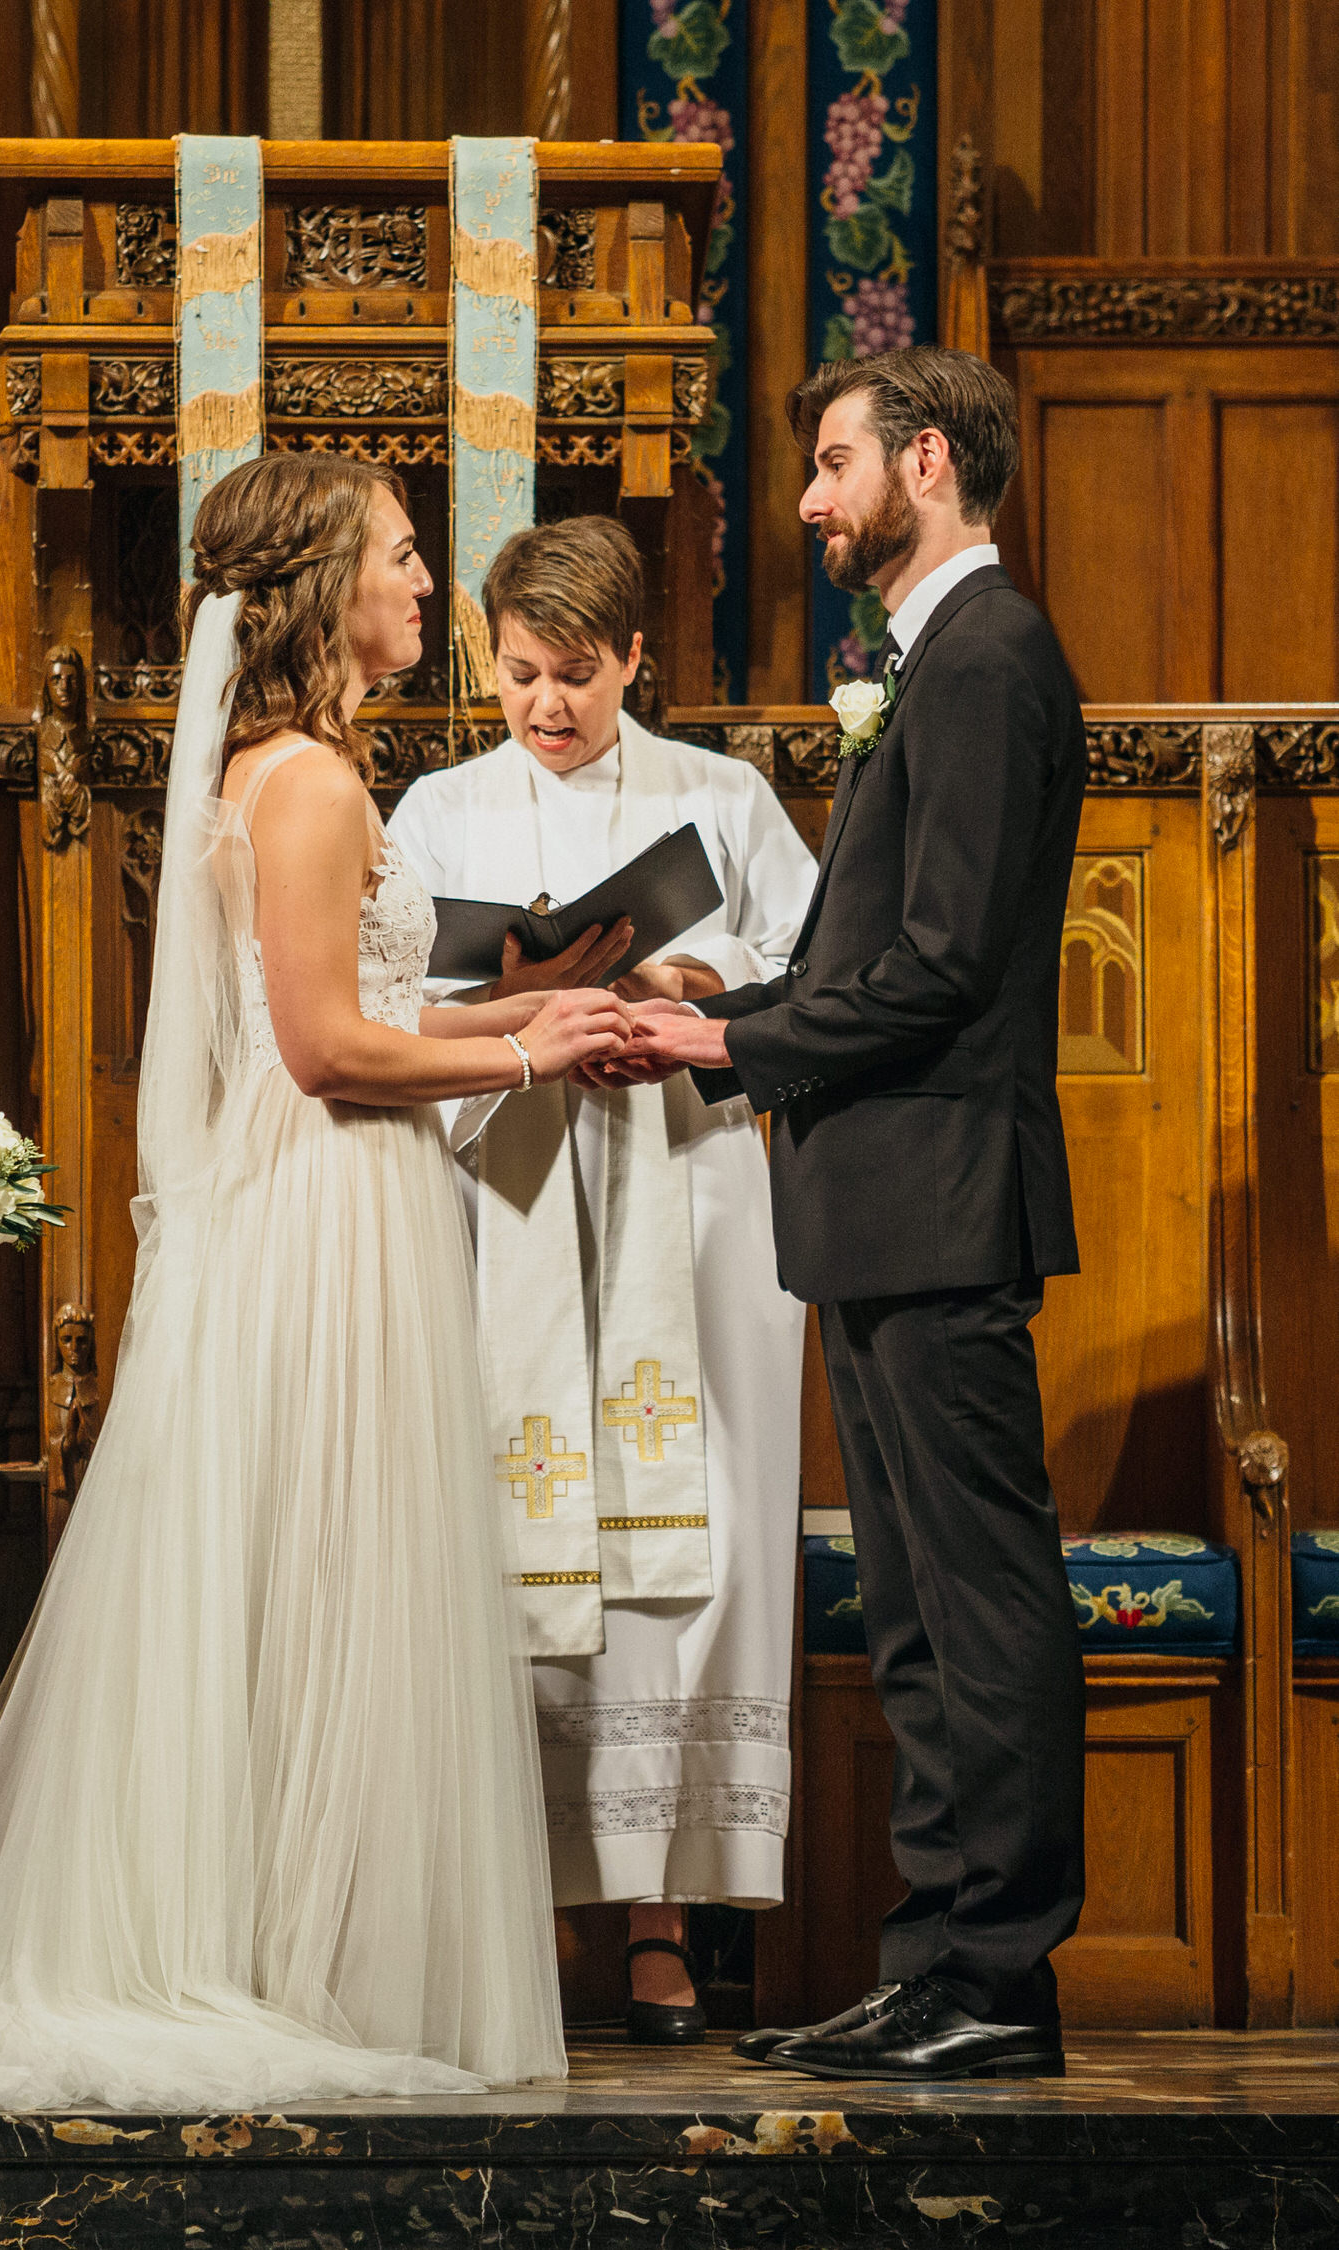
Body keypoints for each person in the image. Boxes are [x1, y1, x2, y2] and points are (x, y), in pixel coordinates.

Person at [0, 453, 634, 2108]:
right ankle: (288, 1963)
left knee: (328, 1578)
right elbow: (328, 1048)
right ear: (320, 589)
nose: (430, 587)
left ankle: (305, 1950)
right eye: (403, 560)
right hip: (327, 1212)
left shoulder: (295, 768)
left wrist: (535, 1024)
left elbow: (367, 1014)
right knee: (329, 1572)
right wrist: (527, 1033)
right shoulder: (313, 789)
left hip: (338, 1198)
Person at [622, 346, 1087, 2082]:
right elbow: (873, 950)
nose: (811, 502)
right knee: (910, 1617)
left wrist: (729, 1037)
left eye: (833, 465)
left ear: (936, 463)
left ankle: (1002, 1973)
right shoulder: (933, 660)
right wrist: (728, 991)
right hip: (879, 1204)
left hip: (944, 1197)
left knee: (980, 1598)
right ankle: (934, 1958)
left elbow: (949, 963)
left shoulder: (986, 659)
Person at [388, 517, 815, 2043]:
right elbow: (394, 998)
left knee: (688, 1534)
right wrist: (523, 989)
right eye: (517, 673)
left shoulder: (724, 795)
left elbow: (810, 967)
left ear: (638, 657)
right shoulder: (438, 809)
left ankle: (657, 1912)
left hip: (685, 1197)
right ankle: (513, 1909)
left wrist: (683, 981)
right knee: (507, 1532)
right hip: (510, 1192)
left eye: (576, 675)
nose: (545, 705)